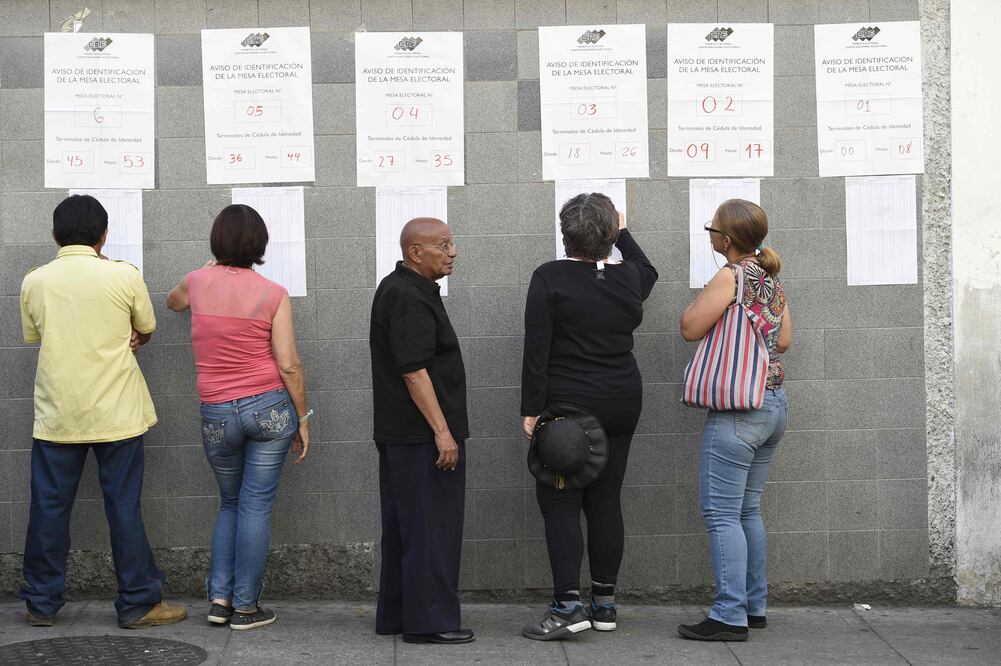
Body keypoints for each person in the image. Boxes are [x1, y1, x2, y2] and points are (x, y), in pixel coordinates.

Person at [18, 194, 187, 629]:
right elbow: (145, 330)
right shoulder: (123, 275)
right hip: (116, 411)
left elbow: (36, 334)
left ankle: (41, 602)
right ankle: (137, 603)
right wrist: (129, 335)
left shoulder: (35, 281)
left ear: (55, 235)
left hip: (58, 412)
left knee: (49, 508)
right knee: (123, 506)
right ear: (104, 234)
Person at [166, 204, 310, 631]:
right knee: (255, 506)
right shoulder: (273, 293)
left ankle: (219, 599)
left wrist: (204, 271)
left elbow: (172, 303)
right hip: (267, 408)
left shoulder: (195, 283)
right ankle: (247, 607)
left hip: (216, 412)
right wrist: (303, 417)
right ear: (260, 245)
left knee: (229, 503)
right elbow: (289, 365)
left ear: (217, 242)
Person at [520, 193, 658, 640]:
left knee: (560, 501)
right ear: (611, 234)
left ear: (565, 235)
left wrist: (531, 408)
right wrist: (623, 228)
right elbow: (647, 266)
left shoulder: (549, 277)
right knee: (606, 499)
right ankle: (604, 604)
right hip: (622, 399)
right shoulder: (630, 278)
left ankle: (566, 605)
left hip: (567, 408)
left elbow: (536, 347)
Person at [677, 199, 791, 641]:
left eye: (711, 229)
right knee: (747, 510)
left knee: (721, 512)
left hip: (740, 410)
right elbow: (783, 340)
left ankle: (728, 615)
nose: (709, 235)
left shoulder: (731, 275)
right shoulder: (771, 278)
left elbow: (689, 326)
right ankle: (753, 607)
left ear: (725, 239)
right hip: (775, 404)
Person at [369, 217, 474, 645]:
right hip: (421, 438)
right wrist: (443, 433)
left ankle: (399, 615)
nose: (452, 252)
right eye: (443, 245)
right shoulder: (409, 297)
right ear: (416, 252)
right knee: (432, 530)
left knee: (406, 528)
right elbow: (414, 371)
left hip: (405, 436)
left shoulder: (403, 289)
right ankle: (430, 621)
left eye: (452, 243)